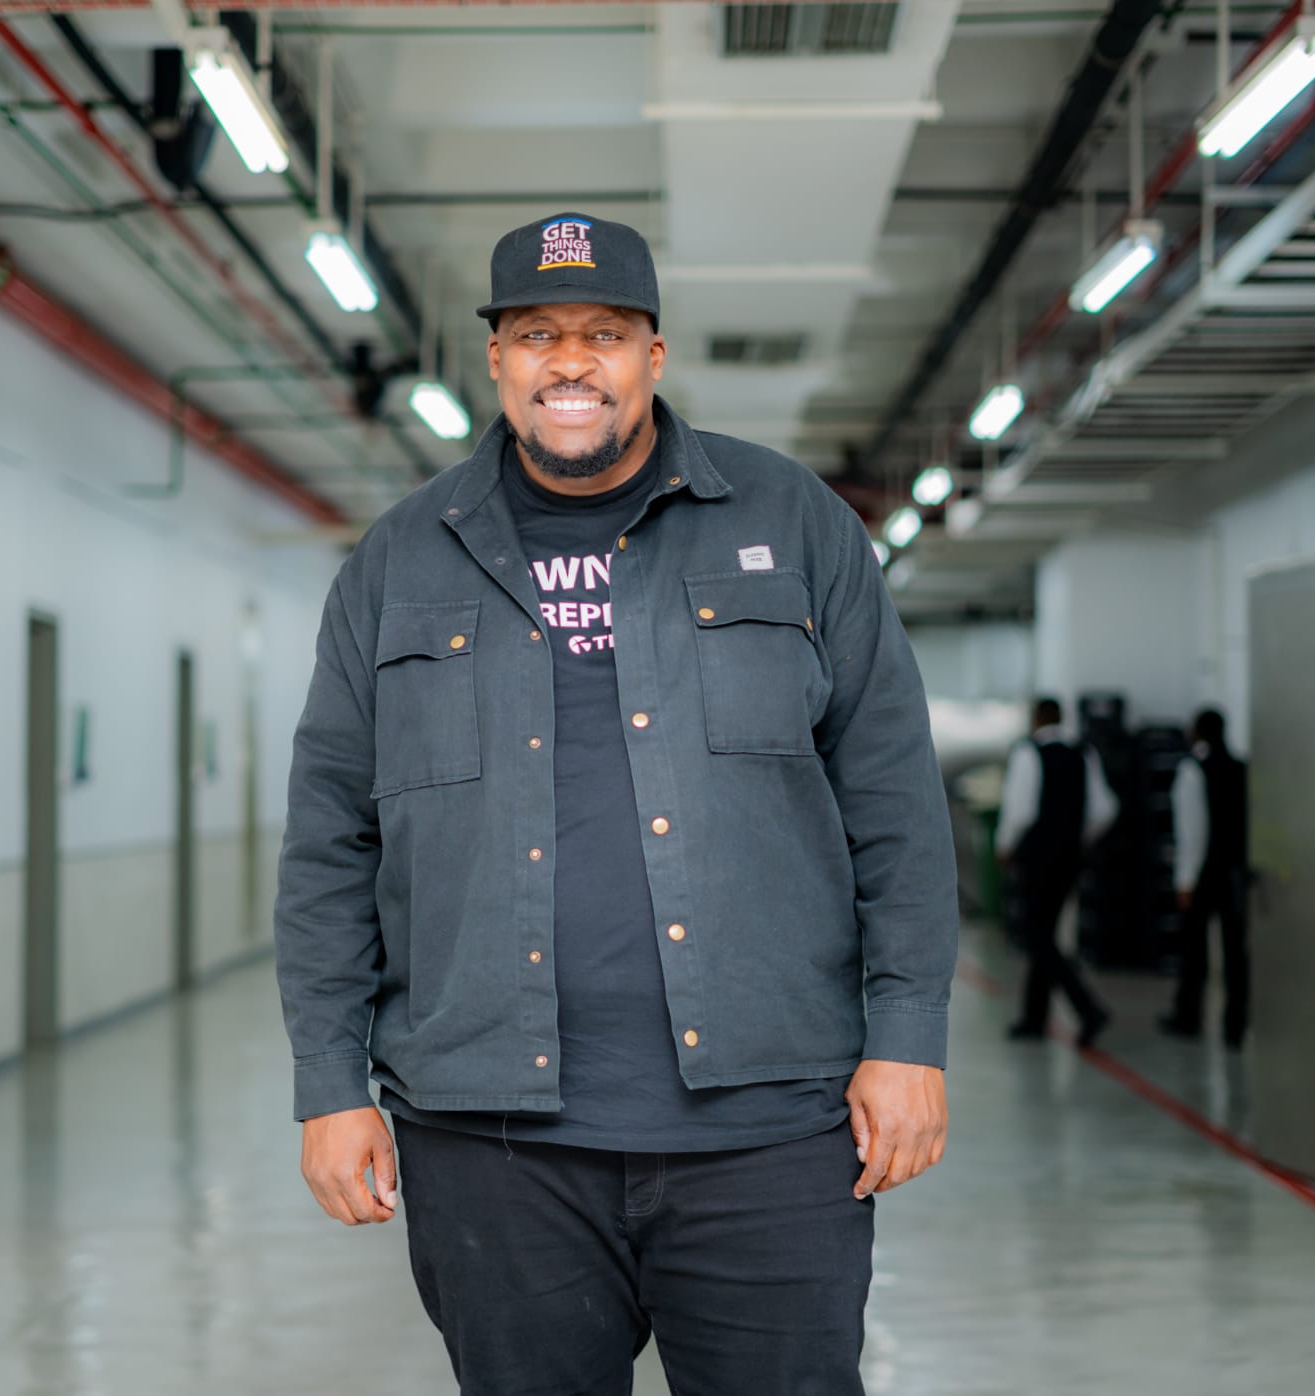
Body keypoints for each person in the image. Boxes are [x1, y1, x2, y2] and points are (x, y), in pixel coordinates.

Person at [274, 212, 958, 1395]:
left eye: (603, 332)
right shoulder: (399, 560)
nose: (571, 361)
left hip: (766, 1129)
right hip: (491, 1140)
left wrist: (907, 1037)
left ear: (652, 353)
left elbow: (891, 795)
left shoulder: (791, 521)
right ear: (497, 359)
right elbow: (332, 839)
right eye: (539, 333)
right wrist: (329, 1084)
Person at [996, 696, 1118, 1047]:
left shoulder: (1028, 752)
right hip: (1071, 857)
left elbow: (1020, 811)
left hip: (1037, 856)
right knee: (1044, 932)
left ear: (1036, 719)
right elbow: (1105, 808)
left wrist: (1005, 845)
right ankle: (1034, 1018)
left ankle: (1087, 1007)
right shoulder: (1084, 753)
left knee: (1036, 935)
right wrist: (1080, 837)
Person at [1160, 708, 1249, 1048]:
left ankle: (1188, 1015)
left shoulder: (1191, 770)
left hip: (1204, 872)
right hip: (1234, 871)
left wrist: (1185, 880)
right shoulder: (1240, 768)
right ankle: (1235, 1023)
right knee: (1235, 951)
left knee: (1194, 949)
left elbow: (1192, 830)